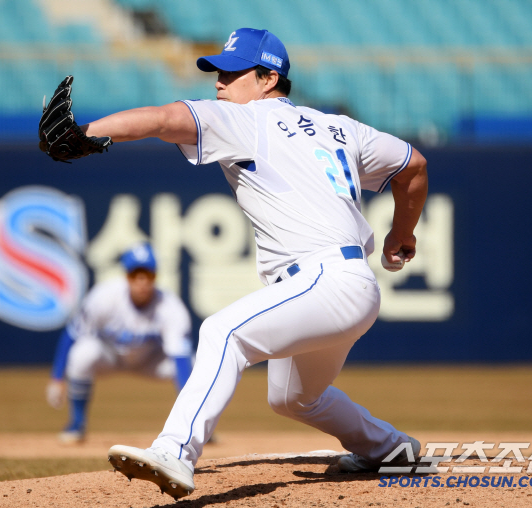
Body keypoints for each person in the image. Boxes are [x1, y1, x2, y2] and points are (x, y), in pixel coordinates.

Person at [70, 27, 427, 498]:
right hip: (350, 285)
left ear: (266, 78)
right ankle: (392, 449)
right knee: (293, 398)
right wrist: (402, 234)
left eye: (232, 71)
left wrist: (87, 134)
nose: (219, 81)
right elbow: (414, 165)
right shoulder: (340, 127)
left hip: (323, 280)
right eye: (217, 71)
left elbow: (162, 118)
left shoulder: (247, 120)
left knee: (222, 332)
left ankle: (176, 451)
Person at [46, 243, 194, 444]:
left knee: (193, 363)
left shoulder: (170, 306)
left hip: (149, 362)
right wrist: (57, 378)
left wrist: (191, 411)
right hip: (110, 357)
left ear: (155, 277)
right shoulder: (104, 296)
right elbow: (72, 334)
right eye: (136, 275)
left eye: (147, 275)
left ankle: (194, 426)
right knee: (82, 353)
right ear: (127, 277)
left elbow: (180, 359)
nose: (142, 282)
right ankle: (77, 424)